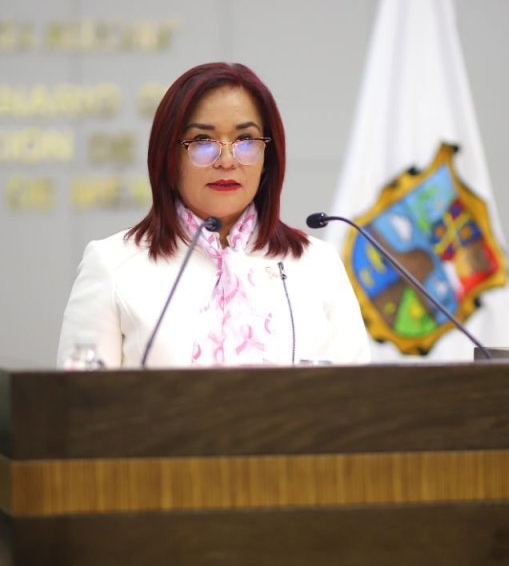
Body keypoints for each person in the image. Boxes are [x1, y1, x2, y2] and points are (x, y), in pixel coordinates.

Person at [57, 62, 370, 368]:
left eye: (245, 140)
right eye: (202, 141)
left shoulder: (317, 265)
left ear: (267, 158)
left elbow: (356, 395)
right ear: (169, 157)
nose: (227, 160)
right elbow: (80, 399)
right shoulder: (113, 264)